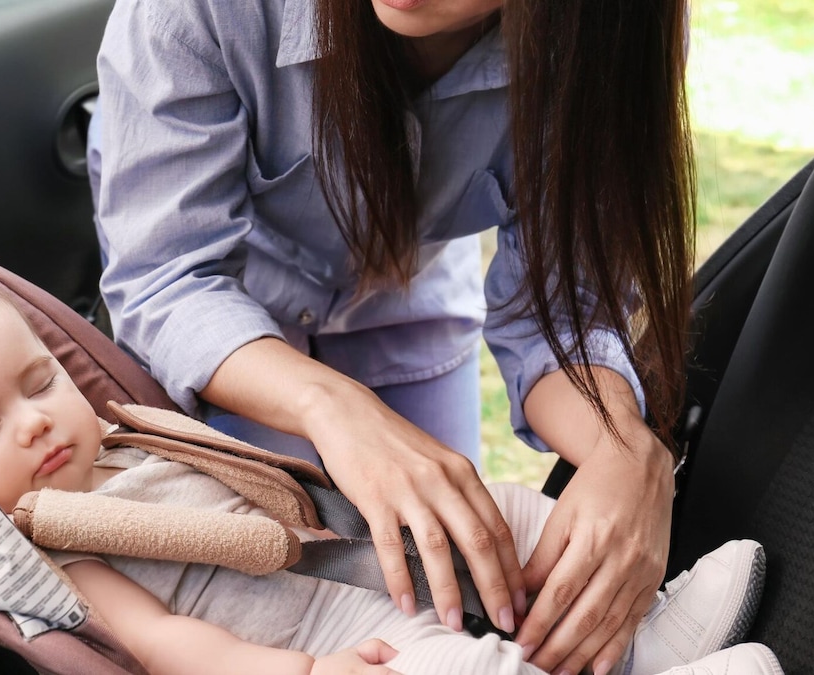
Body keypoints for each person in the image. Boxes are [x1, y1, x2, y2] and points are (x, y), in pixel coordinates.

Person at [87, 1, 698, 673]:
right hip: (228, 328)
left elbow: (561, 309)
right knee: (291, 609)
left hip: (409, 299)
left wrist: (624, 451)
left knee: (455, 582)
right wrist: (332, 405)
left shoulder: (597, 33)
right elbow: (168, 276)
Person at [0, 275, 780, 675]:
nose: (36, 418)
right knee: (449, 665)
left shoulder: (126, 440)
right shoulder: (51, 554)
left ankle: (642, 631)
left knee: (496, 511)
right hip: (314, 634)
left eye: (39, 381)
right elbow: (165, 644)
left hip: (337, 538)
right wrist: (308, 672)